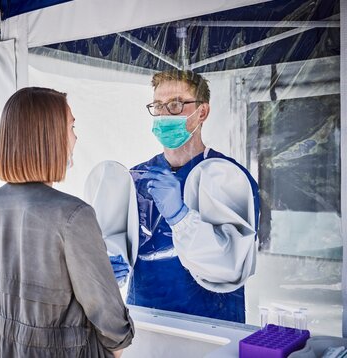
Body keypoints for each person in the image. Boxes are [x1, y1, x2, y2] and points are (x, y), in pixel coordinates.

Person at [0, 87, 134, 358]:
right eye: (71, 126)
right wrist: (117, 347)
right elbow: (107, 315)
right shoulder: (73, 214)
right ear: (48, 136)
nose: (75, 137)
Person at [87, 70, 260, 323]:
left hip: (212, 325)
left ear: (202, 112)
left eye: (176, 105)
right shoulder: (137, 179)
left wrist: (180, 217)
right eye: (158, 106)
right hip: (145, 323)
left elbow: (231, 266)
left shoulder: (227, 177)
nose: (165, 114)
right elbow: (114, 247)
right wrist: (106, 264)